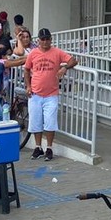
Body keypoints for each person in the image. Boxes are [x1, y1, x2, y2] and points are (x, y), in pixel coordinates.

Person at [24, 28, 78, 161]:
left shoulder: (57, 52)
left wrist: (64, 67)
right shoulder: (33, 53)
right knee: (35, 121)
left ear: (51, 39)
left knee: (50, 122)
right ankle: (38, 147)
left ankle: (49, 147)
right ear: (39, 41)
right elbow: (26, 69)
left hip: (51, 94)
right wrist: (28, 86)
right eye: (43, 39)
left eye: (47, 39)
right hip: (35, 93)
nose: (45, 41)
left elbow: (73, 60)